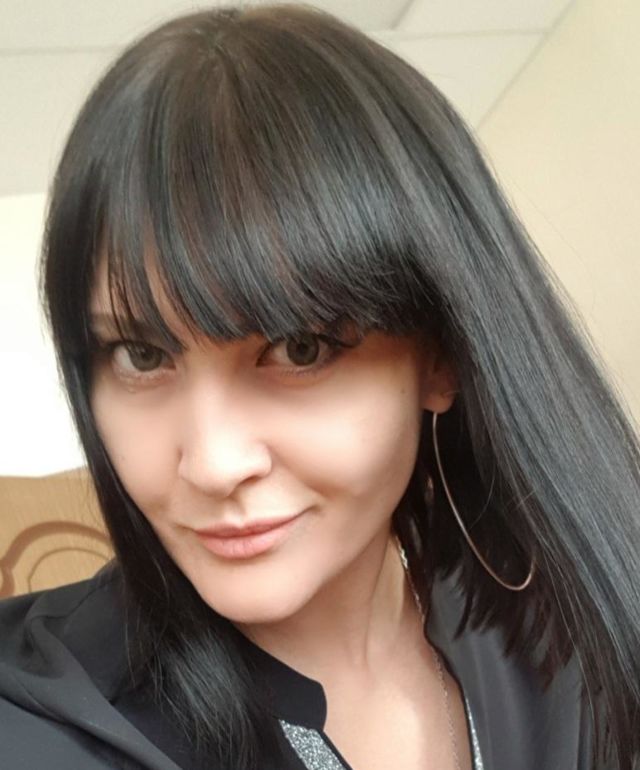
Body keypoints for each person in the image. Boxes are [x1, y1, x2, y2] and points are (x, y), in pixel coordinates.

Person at [1, 4, 639, 769]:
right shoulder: (44, 723)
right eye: (140, 354)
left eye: (298, 347)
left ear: (440, 357)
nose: (213, 463)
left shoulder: (557, 634)